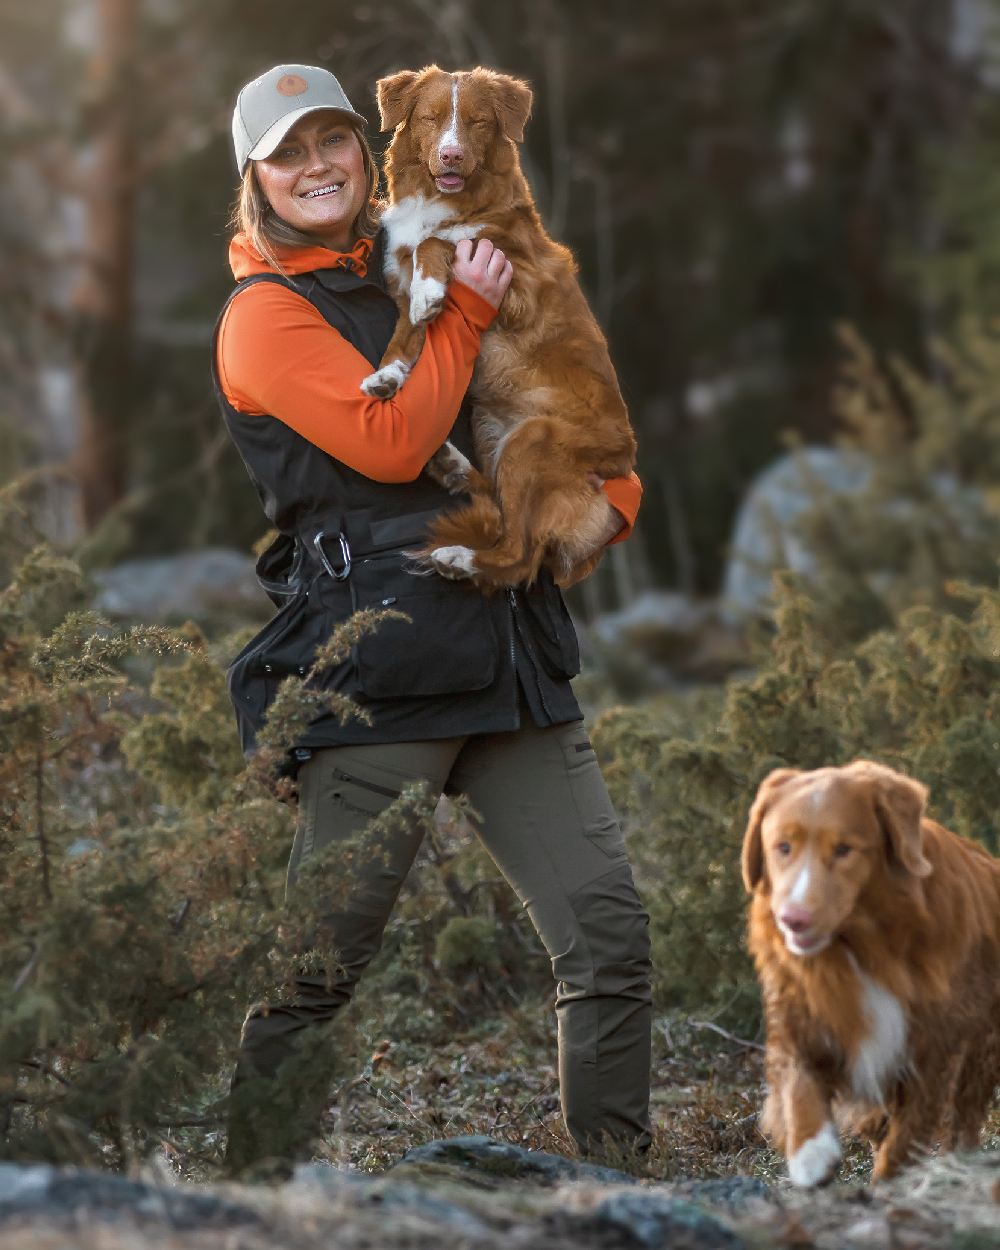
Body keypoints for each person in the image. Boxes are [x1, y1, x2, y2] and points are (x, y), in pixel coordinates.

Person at [213, 63, 653, 1177]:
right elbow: (395, 442)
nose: (316, 165)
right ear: (255, 178)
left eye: (332, 142)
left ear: (368, 151)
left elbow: (541, 388)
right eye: (287, 152)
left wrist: (605, 498)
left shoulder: (422, 247)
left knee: (605, 932)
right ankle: (250, 1193)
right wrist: (461, 306)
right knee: (319, 965)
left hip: (508, 647)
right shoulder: (266, 315)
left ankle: (611, 1185)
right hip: (382, 670)